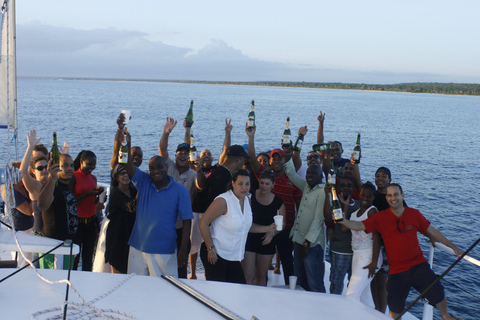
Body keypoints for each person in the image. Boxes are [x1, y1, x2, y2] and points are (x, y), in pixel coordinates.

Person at [339, 184, 463, 320]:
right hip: (397, 271)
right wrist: (342, 221)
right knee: (394, 307)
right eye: (390, 195)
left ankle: (446, 316)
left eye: (396, 194)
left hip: (418, 265)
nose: (393, 198)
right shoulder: (380, 217)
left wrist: (453, 247)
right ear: (386, 198)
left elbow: (432, 231)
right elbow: (359, 225)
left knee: (438, 291)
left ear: (402, 195)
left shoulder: (414, 214)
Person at [125, 135, 193, 277]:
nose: (156, 171)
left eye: (160, 167)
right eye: (152, 168)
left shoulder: (180, 190)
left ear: (167, 167)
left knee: (164, 291)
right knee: (135, 289)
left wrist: (183, 251)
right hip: (137, 247)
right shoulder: (144, 181)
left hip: (164, 251)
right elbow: (127, 164)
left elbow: (187, 221)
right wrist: (126, 141)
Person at [246, 125, 302, 286]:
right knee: (261, 269)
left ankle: (289, 292)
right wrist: (251, 137)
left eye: (280, 158)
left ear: (285, 161)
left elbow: (299, 206)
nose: (277, 161)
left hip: (285, 229)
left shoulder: (293, 179)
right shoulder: (264, 177)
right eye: (274, 158)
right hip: (262, 229)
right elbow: (251, 159)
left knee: (287, 262)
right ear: (269, 161)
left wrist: (296, 229)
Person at [198, 169, 276, 284]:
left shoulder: (247, 200)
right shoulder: (223, 200)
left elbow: (245, 226)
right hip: (216, 254)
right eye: (240, 184)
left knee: (238, 289)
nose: (244, 187)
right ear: (233, 183)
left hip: (234, 257)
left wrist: (267, 229)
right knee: (218, 294)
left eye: (247, 184)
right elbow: (203, 223)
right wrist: (210, 248)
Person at [188, 119, 232, 279]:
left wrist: (228, 133)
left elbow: (226, 151)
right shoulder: (194, 170)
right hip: (196, 210)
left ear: (213, 158)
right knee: (193, 245)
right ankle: (192, 272)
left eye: (208, 154)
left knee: (210, 243)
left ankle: (208, 270)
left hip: (212, 212)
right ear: (198, 158)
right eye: (203, 154)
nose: (206, 156)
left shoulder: (217, 170)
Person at [159, 117, 197, 278]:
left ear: (190, 156)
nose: (182, 155)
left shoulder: (194, 174)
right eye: (179, 153)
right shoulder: (169, 167)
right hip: (165, 223)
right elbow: (162, 150)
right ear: (176, 155)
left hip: (183, 225)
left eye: (186, 153)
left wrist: (187, 131)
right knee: (163, 261)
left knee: (181, 263)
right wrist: (166, 133)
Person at [284, 157, 329, 292]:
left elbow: (318, 220)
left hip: (312, 245)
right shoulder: (307, 187)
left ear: (321, 176)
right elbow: (291, 174)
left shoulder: (322, 192)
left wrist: (306, 244)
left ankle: (319, 309)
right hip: (298, 239)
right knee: (299, 279)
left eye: (314, 173)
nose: (310, 175)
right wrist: (288, 155)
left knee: (314, 282)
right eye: (308, 173)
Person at [242, 170, 286, 286]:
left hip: (267, 242)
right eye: (261, 183)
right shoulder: (250, 197)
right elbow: (245, 223)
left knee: (261, 276)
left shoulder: (278, 202)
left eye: (267, 184)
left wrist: (272, 234)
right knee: (248, 277)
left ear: (273, 185)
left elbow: (282, 225)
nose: (264, 186)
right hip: (249, 240)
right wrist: (267, 229)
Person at [342, 182, 381, 307]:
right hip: (357, 255)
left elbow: (377, 237)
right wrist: (346, 207)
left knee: (351, 294)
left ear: (373, 197)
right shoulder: (354, 213)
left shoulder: (372, 211)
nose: (366, 198)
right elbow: (344, 228)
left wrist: (374, 262)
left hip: (369, 256)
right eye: (363, 195)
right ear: (359, 195)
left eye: (369, 196)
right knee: (364, 295)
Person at [37, 154, 79, 270]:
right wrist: (52, 178)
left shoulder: (66, 187)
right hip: (54, 247)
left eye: (71, 165)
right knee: (53, 285)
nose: (70, 168)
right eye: (65, 165)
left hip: (66, 245)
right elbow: (42, 205)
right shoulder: (52, 186)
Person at [324, 176, 359, 295]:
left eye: (349, 186)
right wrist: (344, 205)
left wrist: (347, 205)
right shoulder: (335, 203)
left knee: (353, 285)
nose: (346, 188)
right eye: (342, 185)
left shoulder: (358, 204)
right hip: (340, 251)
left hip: (355, 252)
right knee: (336, 284)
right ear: (338, 188)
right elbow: (343, 227)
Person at [72, 150, 104, 271]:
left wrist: (98, 198)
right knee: (75, 256)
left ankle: (86, 282)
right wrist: (87, 194)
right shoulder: (74, 177)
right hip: (78, 223)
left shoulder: (93, 178)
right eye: (89, 164)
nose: (92, 167)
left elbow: (91, 202)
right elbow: (71, 202)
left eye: (94, 165)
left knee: (88, 257)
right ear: (81, 162)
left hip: (91, 223)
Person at [104, 164, 137, 274]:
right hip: (117, 236)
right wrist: (143, 188)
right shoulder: (115, 193)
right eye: (122, 173)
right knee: (117, 267)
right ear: (116, 177)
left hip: (131, 235)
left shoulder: (132, 190)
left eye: (128, 173)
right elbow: (131, 207)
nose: (125, 175)